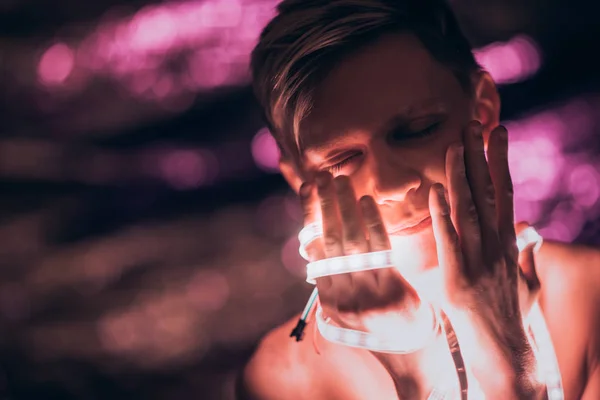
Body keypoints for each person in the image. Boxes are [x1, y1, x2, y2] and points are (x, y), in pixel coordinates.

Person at [236, 0, 600, 398]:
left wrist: (512, 368)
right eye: (342, 159)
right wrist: (414, 380)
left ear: (482, 110)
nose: (392, 184)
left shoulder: (592, 307)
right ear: (300, 178)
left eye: (418, 130)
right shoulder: (284, 379)